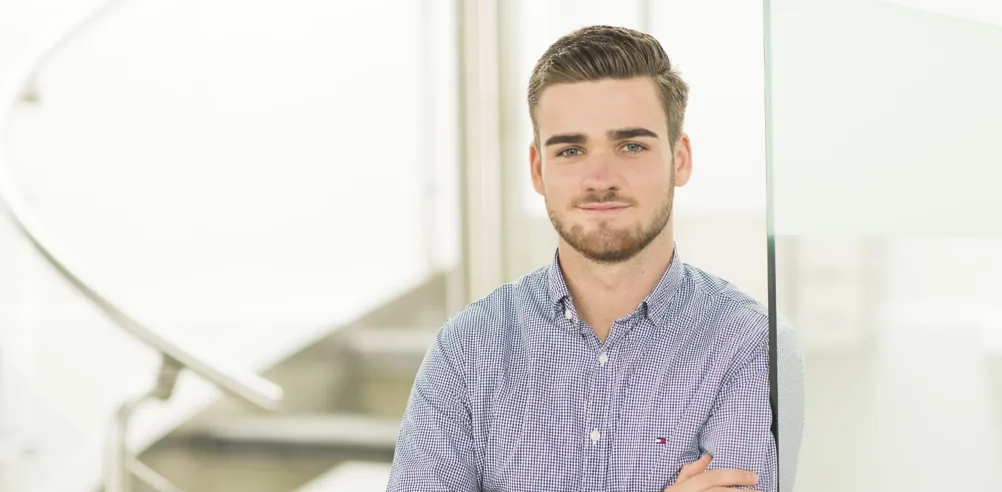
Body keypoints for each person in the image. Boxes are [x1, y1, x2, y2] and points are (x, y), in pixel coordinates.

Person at [387, 25, 803, 492]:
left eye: (631, 146)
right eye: (571, 150)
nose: (600, 177)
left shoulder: (750, 346)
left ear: (680, 158)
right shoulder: (466, 350)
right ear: (538, 169)